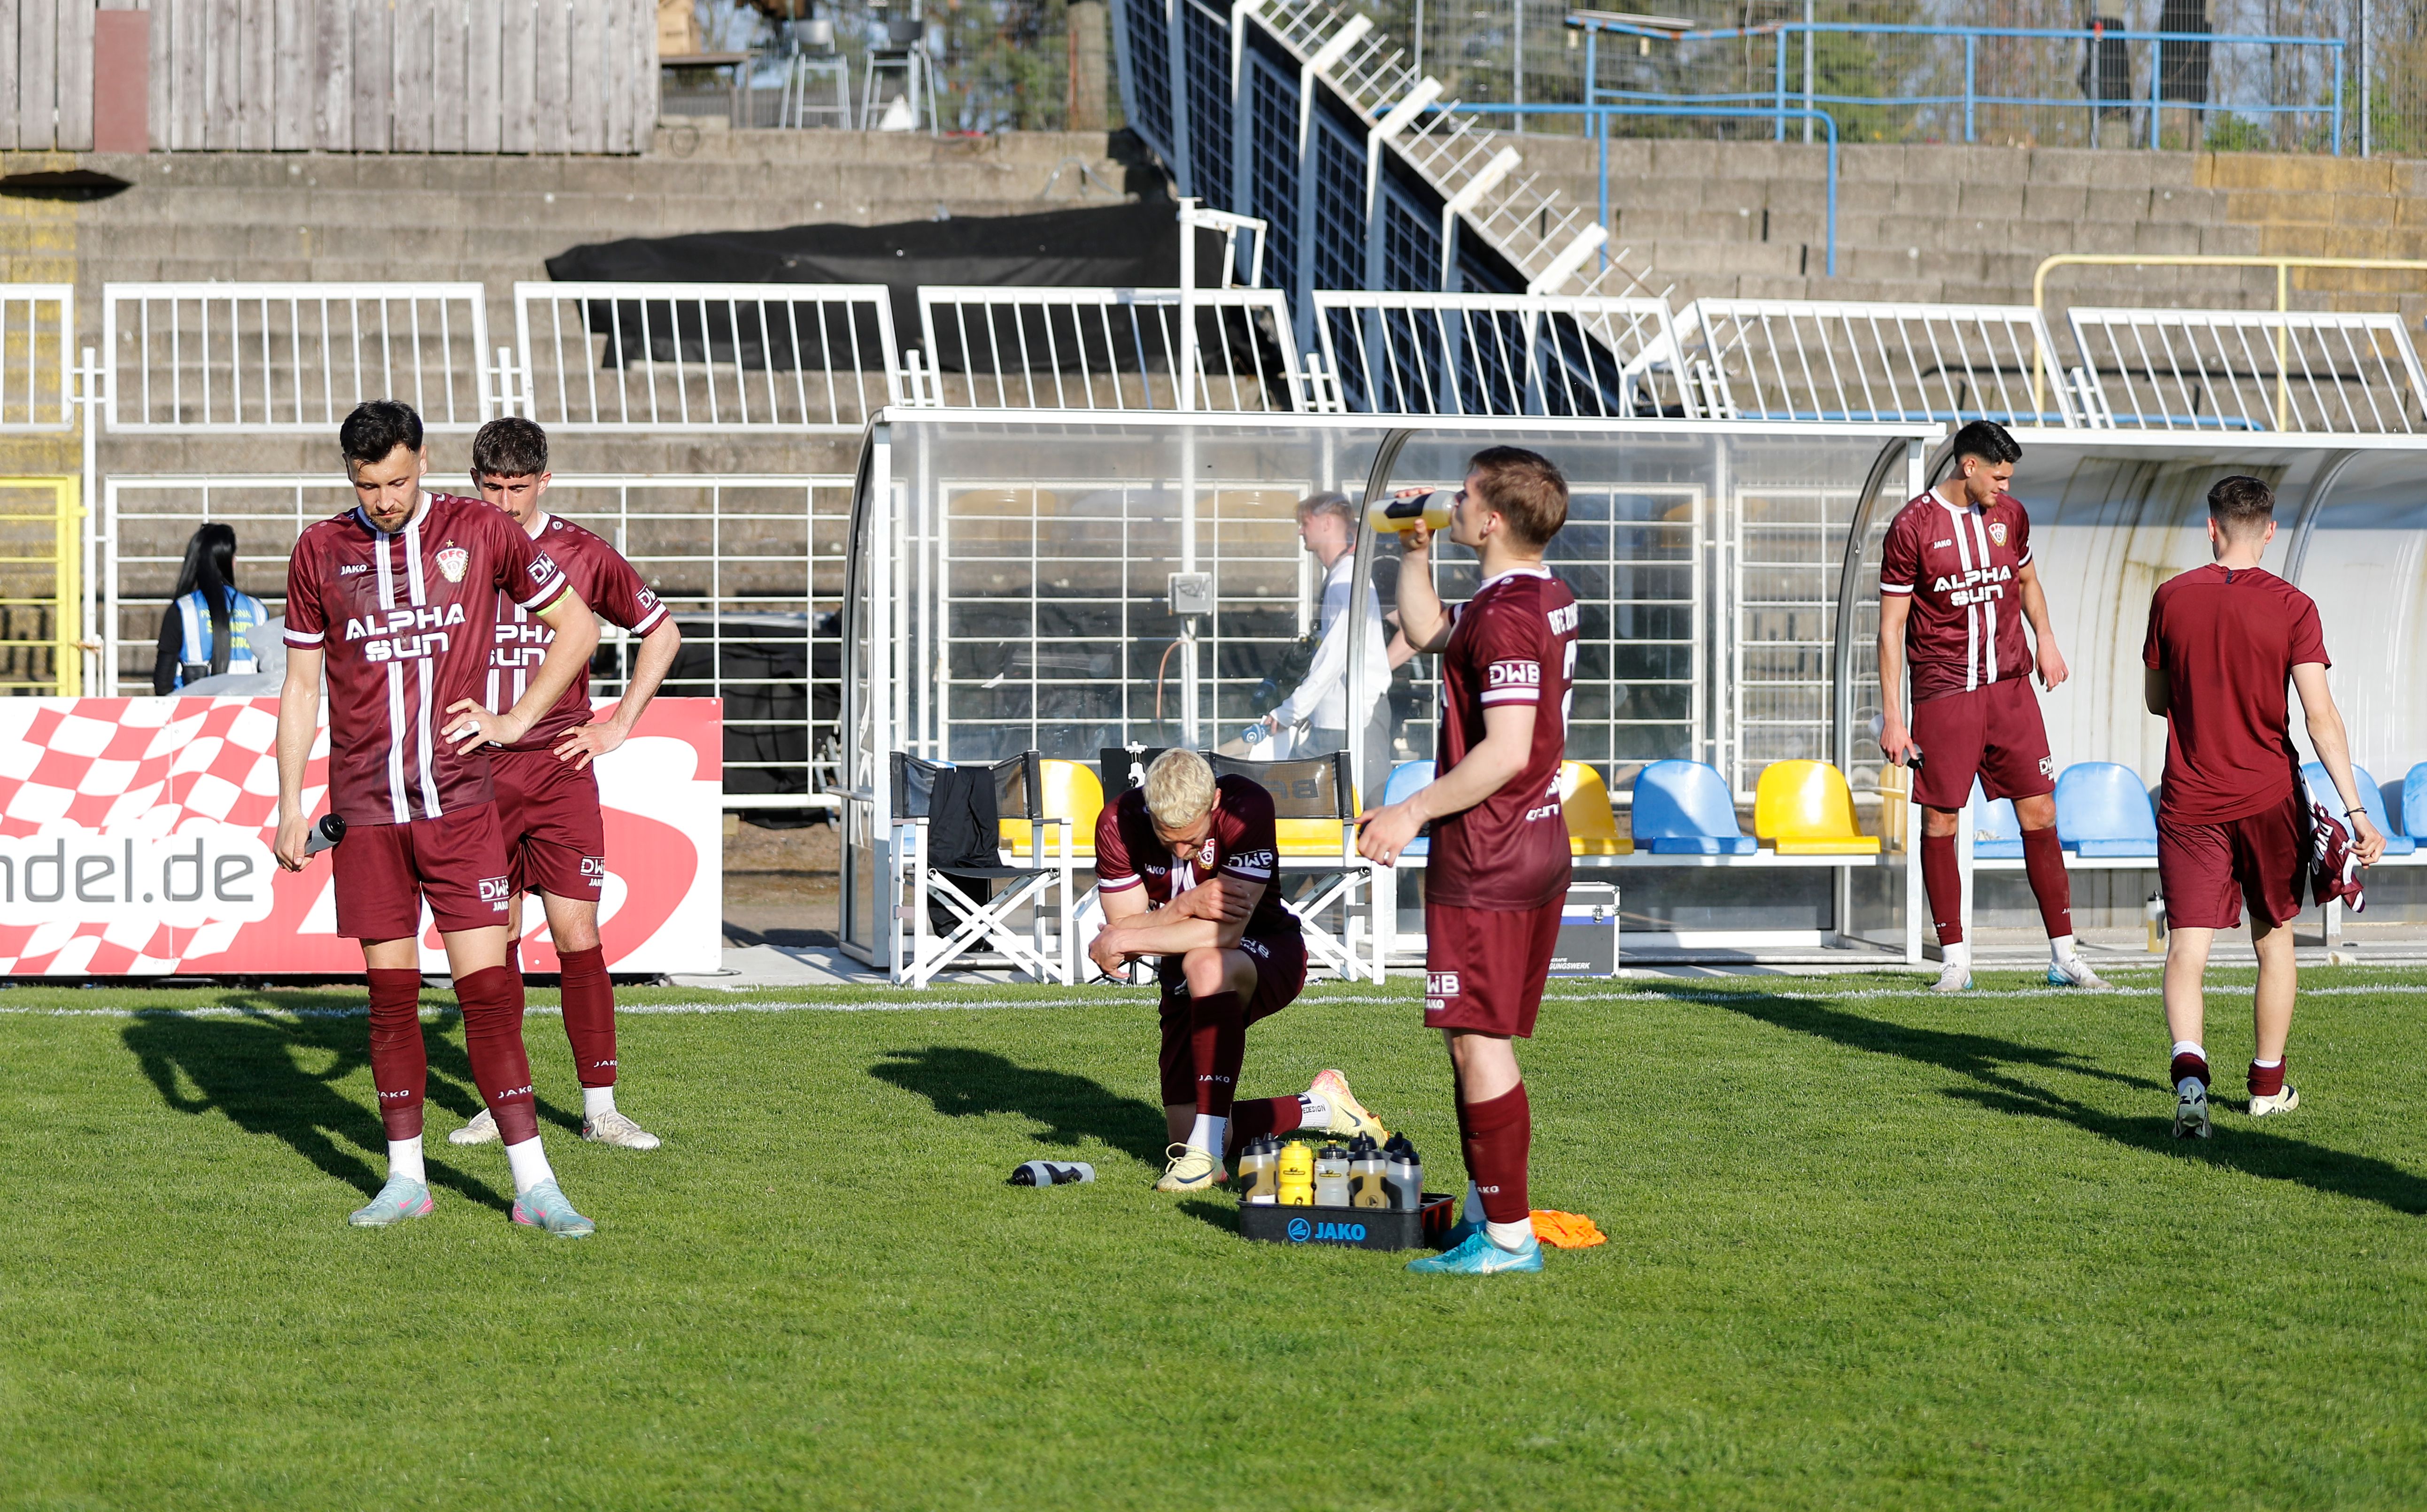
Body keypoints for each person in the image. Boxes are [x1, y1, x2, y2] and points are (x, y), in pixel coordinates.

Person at [273, 400, 604, 1236]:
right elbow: (303, 687)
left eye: (396, 480)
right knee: (388, 1001)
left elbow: (578, 627)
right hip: (369, 815)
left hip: (459, 809)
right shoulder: (320, 550)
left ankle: (534, 1185)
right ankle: (404, 1179)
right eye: (366, 484)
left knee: (488, 996)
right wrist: (287, 806)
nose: (383, 498)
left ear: (422, 462)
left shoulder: (481, 531)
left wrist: (516, 721)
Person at [1357, 446, 1578, 1277]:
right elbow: (1429, 633)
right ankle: (1495, 1213)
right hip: (1527, 842)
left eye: (1463, 495)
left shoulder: (1510, 614)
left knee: (1476, 1042)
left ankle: (1509, 1239)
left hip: (1490, 850)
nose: (1449, 502)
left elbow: (1507, 750)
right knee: (1476, 1040)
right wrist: (1414, 554)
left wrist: (1410, 810)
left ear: (1489, 520)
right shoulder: (1531, 595)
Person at [447, 417, 683, 1153]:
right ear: (474, 481)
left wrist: (617, 725)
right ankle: (501, 1102)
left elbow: (663, 632)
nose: (506, 502)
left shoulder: (582, 552)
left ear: (545, 481)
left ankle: (601, 1107)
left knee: (578, 933)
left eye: (519, 488)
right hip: (477, 771)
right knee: (498, 938)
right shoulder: (450, 550)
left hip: (558, 769)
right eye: (492, 486)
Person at [2143, 475, 2382, 1139]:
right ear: (2270, 531)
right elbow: (2320, 717)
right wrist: (2357, 811)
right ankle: (2267, 1090)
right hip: (2267, 797)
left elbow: (2157, 701)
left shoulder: (2170, 598)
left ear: (2211, 527)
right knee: (2274, 942)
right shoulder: (2293, 605)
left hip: (2189, 798)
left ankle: (2190, 1075)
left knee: (2188, 947)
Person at [1876, 419, 2110, 995]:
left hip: (2009, 688)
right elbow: (1890, 629)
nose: (2004, 487)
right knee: (1940, 819)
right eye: (1998, 476)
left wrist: (2046, 639)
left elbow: (2027, 581)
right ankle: (1954, 960)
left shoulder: (2011, 517)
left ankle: (2064, 955)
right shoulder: (1912, 527)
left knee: (2041, 813)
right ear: (1968, 467)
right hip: (1944, 691)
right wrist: (1893, 715)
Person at [1087, 748, 1386, 1192]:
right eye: (1169, 840)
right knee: (1182, 1135)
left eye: (1192, 841)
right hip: (1181, 973)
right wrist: (1184, 906)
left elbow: (1220, 936)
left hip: (1268, 949)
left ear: (1213, 803)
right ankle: (1322, 1106)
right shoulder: (1117, 821)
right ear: (1149, 810)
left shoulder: (1248, 806)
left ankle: (1207, 1158)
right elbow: (1123, 929)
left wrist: (1131, 936)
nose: (1184, 851)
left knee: (1207, 962)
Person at [1257, 492, 1399, 797]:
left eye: (1304, 523)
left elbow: (1334, 655)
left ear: (1328, 523)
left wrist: (1290, 711)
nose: (1300, 530)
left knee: (1359, 803)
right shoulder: (1343, 577)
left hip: (1353, 716)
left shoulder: (1346, 580)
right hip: (1340, 715)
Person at [153, 523, 269, 694]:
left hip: (193, 715)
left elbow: (163, 683)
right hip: (246, 713)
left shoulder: (183, 610)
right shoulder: (257, 610)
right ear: (231, 562)